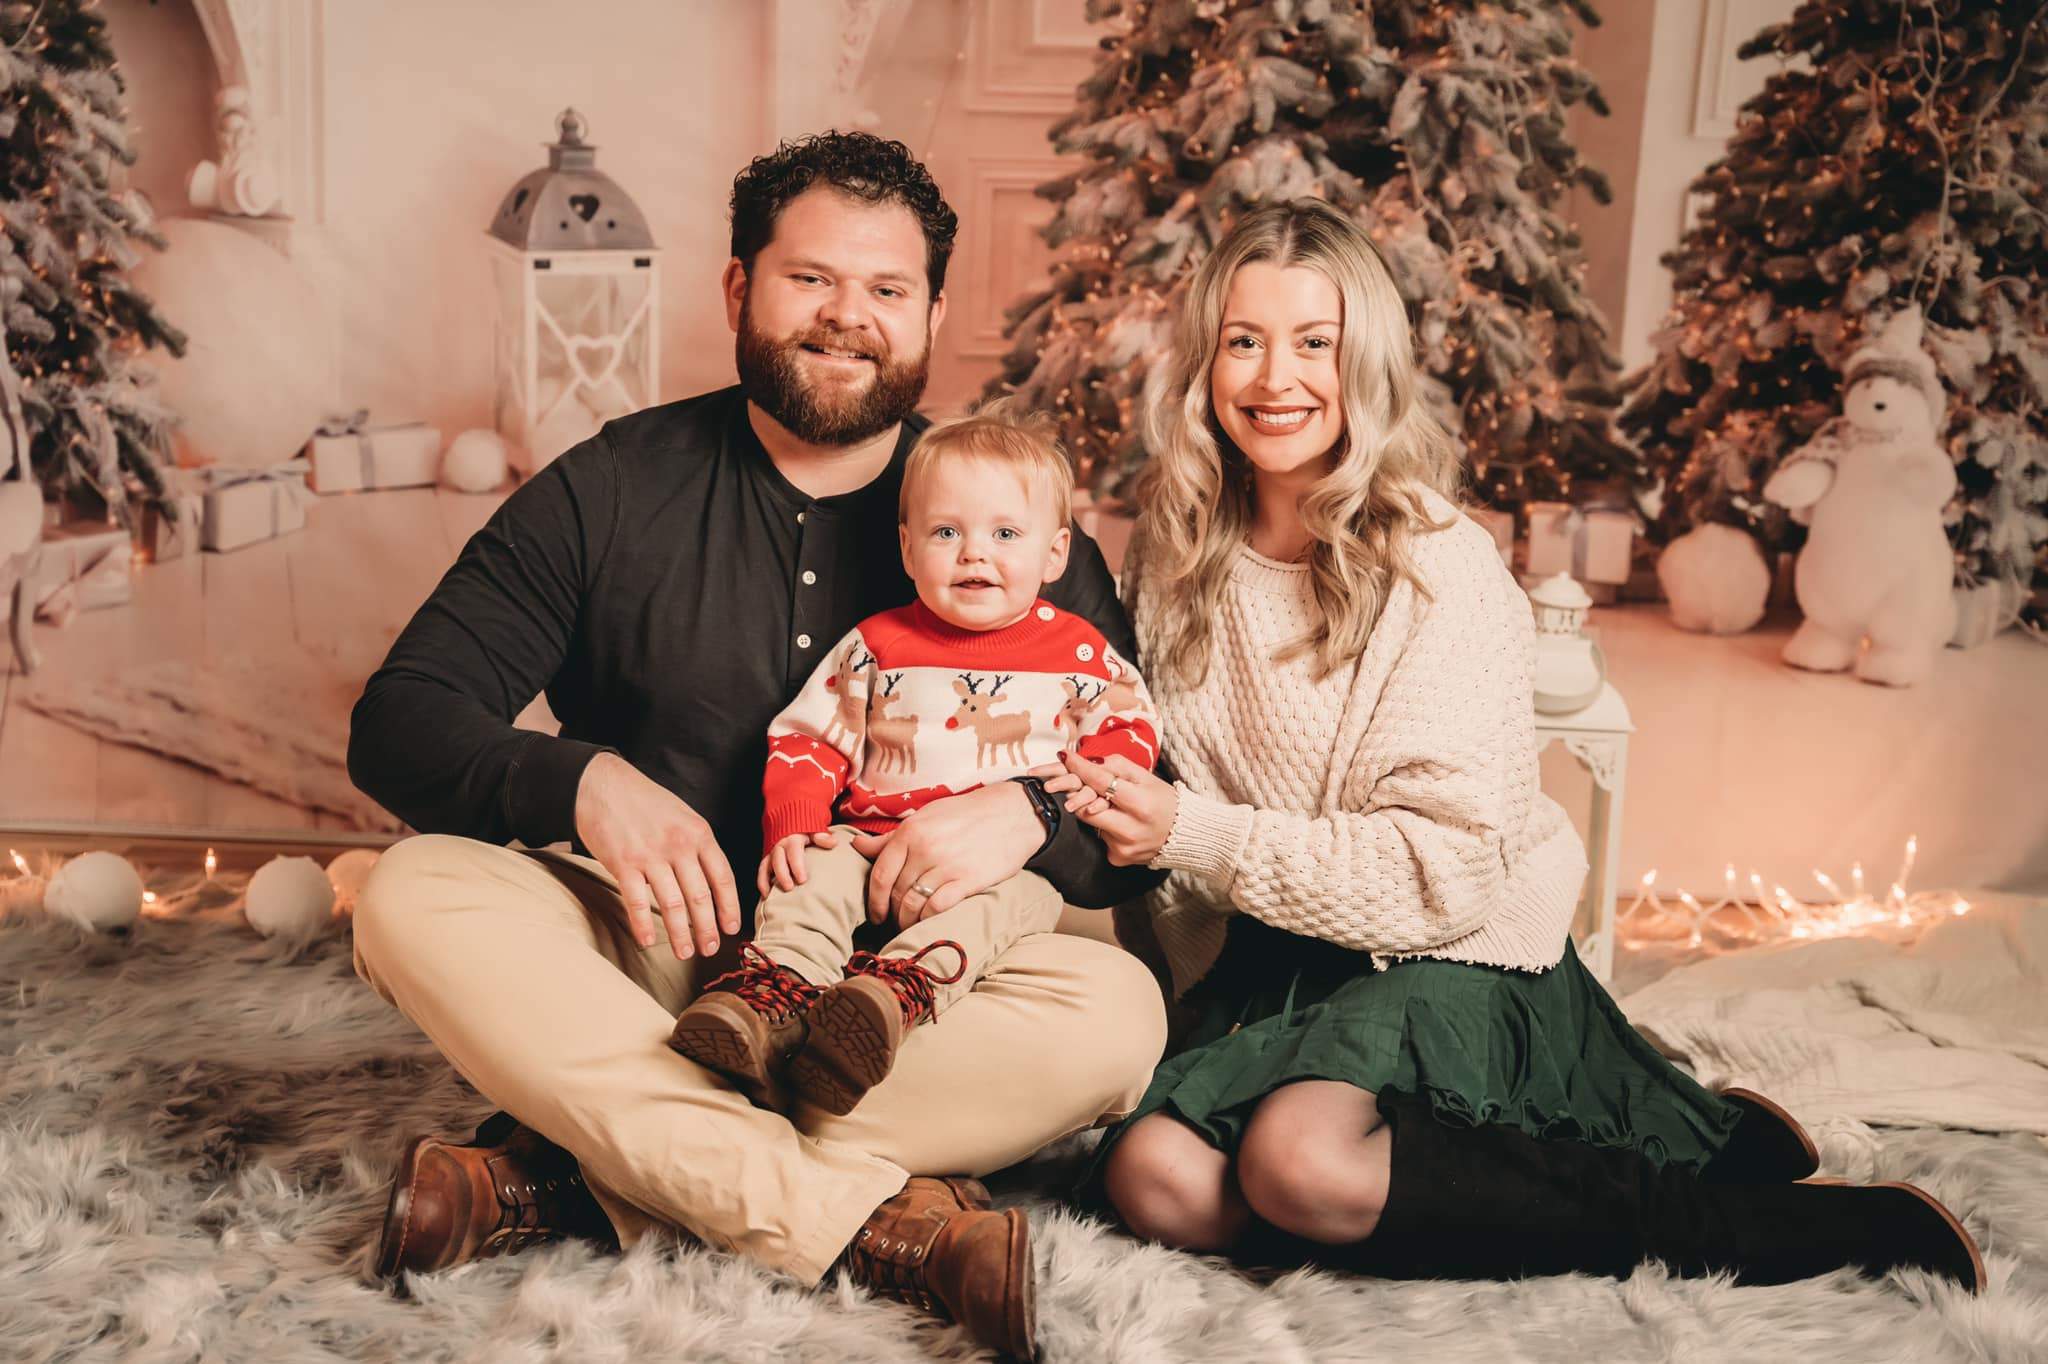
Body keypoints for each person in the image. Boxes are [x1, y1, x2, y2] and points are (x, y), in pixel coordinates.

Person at [1044, 198, 1984, 1294]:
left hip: (1443, 940)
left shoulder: (1437, 563)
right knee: (1158, 1180)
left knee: (1297, 1165)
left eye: (1315, 343)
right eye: (1243, 341)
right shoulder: (1174, 546)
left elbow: (1439, 876)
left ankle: (1762, 1220)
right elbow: (1149, 765)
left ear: (1367, 359)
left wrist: (1194, 833)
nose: (1274, 378)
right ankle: (1626, 1134)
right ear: (1206, 361)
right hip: (1279, 941)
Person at [346, 132, 1168, 1360]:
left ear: (931, 315)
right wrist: (586, 782)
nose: (848, 317)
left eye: (886, 288)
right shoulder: (608, 487)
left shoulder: (1006, 518)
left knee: (1117, 1011)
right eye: (810, 279)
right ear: (739, 288)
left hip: (905, 988)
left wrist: (1031, 813)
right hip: (648, 952)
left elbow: (1140, 814)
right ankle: (867, 1220)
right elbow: (399, 719)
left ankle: (573, 1165)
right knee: (410, 894)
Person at [668, 400, 1158, 1116]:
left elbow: (1130, 732)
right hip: (869, 841)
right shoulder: (876, 645)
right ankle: (773, 994)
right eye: (946, 531)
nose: (973, 553)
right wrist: (796, 825)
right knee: (809, 877)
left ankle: (888, 1000)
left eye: (1004, 533)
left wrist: (1081, 793)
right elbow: (810, 736)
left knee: (1020, 900)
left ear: (1055, 555)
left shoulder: (1079, 654)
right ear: (907, 547)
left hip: (998, 867)